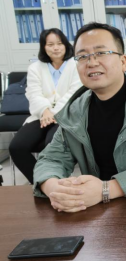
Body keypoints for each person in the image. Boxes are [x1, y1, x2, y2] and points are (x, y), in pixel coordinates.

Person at [33, 22, 126, 213]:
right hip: (96, 210)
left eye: (101, 53)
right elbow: (51, 159)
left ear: (123, 62)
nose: (92, 62)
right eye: (82, 56)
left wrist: (106, 190)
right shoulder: (75, 110)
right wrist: (55, 189)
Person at [9, 28, 81, 184]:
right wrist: (45, 111)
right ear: (43, 47)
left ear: (66, 45)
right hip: (40, 115)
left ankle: (57, 182)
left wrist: (53, 113)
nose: (55, 48)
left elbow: (74, 93)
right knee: (17, 147)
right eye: (50, 44)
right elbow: (33, 93)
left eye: (59, 43)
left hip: (66, 115)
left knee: (52, 145)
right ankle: (41, 183)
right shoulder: (35, 68)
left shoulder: (76, 65)